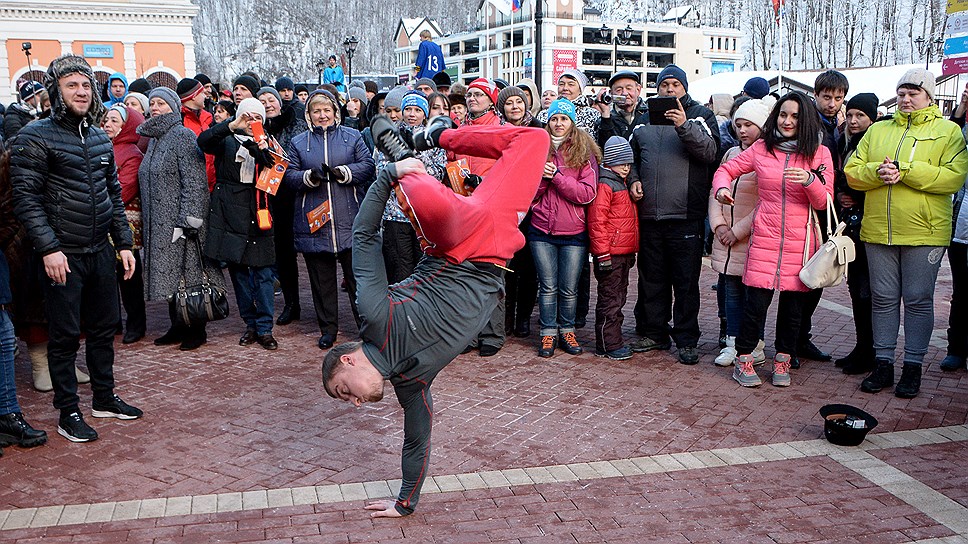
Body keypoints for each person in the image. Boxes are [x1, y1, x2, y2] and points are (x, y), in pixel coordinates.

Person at [321, 114, 548, 518]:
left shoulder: (375, 317)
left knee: (430, 196)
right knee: (533, 138)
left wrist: (384, 176)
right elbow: (416, 442)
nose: (355, 402)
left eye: (344, 390)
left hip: (455, 242)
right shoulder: (411, 383)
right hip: (495, 246)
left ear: (348, 359)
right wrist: (404, 503)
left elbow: (363, 238)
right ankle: (420, 147)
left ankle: (417, 151)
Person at [10, 54, 143, 443]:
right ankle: (68, 411)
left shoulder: (100, 135)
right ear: (56, 91)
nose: (81, 92)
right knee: (64, 336)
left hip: (98, 249)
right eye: (72, 85)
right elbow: (26, 200)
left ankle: (103, 398)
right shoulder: (34, 136)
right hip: (60, 253)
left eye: (86, 85)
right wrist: (48, 248)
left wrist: (124, 243)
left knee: (104, 329)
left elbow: (113, 195)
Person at [845, 69, 968, 398]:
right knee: (882, 300)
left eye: (913, 92)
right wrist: (877, 171)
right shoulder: (878, 130)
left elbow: (953, 177)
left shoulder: (948, 132)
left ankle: (912, 366)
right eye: (902, 93)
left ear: (928, 96)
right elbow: (852, 172)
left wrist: (907, 171)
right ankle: (883, 363)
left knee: (917, 300)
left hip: (924, 233)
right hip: (878, 231)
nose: (906, 99)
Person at [713, 92, 834, 388]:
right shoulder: (761, 148)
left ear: (804, 119)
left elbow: (824, 201)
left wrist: (810, 182)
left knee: (793, 310)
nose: (788, 121)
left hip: (801, 241)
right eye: (783, 114)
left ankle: (783, 359)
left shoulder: (819, 153)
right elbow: (726, 168)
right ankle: (744, 360)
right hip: (764, 237)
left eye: (794, 116)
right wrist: (721, 188)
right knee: (755, 306)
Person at [628, 64, 720, 365]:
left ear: (684, 88)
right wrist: (634, 180)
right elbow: (629, 159)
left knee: (685, 282)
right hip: (650, 215)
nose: (669, 90)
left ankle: (687, 339)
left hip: (686, 215)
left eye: (675, 85)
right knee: (651, 279)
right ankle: (655, 333)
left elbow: (710, 153)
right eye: (664, 85)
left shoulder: (700, 116)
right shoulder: (642, 120)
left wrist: (684, 124)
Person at [283, 90, 375, 349]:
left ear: (336, 112)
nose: (322, 115)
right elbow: (288, 175)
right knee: (321, 282)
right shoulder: (299, 142)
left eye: (327, 110)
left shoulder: (353, 136)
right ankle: (328, 329)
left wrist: (345, 172)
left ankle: (366, 327)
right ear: (309, 115)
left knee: (358, 281)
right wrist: (307, 178)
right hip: (315, 221)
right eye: (316, 111)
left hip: (350, 218)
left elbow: (368, 166)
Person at [139, 87, 220, 351]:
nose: (155, 107)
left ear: (174, 107)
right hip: (158, 222)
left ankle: (196, 328)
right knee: (171, 276)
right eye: (152, 103)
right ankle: (177, 324)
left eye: (161, 103)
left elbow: (194, 182)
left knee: (190, 273)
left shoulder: (183, 136)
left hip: (181, 221)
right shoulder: (154, 140)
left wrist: (190, 221)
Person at [199, 98, 279, 350]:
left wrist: (260, 147)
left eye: (257, 117)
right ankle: (251, 325)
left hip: (259, 213)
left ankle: (266, 327)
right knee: (240, 274)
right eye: (248, 116)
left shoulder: (270, 143)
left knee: (264, 274)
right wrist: (232, 125)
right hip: (231, 215)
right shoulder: (226, 140)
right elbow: (203, 142)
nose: (251, 121)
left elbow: (277, 172)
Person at [530, 99, 599, 357]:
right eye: (554, 119)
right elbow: (529, 194)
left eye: (564, 119)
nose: (558, 124)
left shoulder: (584, 152)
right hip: (541, 230)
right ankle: (548, 334)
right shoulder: (538, 148)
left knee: (569, 288)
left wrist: (557, 177)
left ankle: (567, 331)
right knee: (547, 286)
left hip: (573, 232)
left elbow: (587, 194)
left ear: (572, 122)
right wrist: (543, 180)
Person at [708, 97, 772, 367]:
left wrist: (738, 230)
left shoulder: (768, 157)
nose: (743, 130)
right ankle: (732, 342)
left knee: (753, 298)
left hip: (751, 239)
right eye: (739, 125)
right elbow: (716, 191)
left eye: (749, 125)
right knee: (731, 293)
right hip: (727, 240)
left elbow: (766, 202)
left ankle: (755, 343)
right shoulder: (730, 154)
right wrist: (719, 225)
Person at [376, 91, 447, 288]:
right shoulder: (388, 136)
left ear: (425, 113)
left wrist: (414, 155)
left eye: (417, 110)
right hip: (395, 214)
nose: (412, 114)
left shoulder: (432, 138)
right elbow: (383, 171)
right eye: (407, 109)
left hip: (424, 216)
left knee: (424, 269)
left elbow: (437, 173)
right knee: (399, 271)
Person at [834, 93, 879, 375]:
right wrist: (841, 193)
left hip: (868, 227)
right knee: (856, 291)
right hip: (850, 227)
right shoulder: (845, 141)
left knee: (866, 292)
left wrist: (852, 194)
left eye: (860, 116)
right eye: (850, 115)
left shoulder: (873, 143)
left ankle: (871, 351)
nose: (853, 121)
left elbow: (869, 180)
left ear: (871, 118)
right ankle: (862, 347)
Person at [258, 86, 304, 326]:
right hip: (272, 199)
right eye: (262, 100)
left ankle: (320, 305)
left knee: (311, 253)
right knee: (284, 256)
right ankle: (291, 303)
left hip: (297, 195)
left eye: (271, 99)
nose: (267, 104)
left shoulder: (295, 125)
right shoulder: (258, 131)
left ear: (279, 102)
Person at [497, 86, 541, 338]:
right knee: (508, 266)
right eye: (509, 103)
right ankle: (506, 317)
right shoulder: (499, 131)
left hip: (532, 206)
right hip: (506, 206)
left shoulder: (538, 129)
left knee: (528, 267)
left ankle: (523, 318)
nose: (515, 107)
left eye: (519, 102)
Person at [101, 104, 147, 345]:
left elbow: (124, 189)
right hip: (101, 221)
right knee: (106, 275)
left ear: (126, 126)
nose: (108, 124)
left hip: (124, 224)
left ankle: (136, 324)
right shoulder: (99, 148)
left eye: (114, 121)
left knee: (128, 275)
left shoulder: (131, 154)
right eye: (106, 119)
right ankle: (113, 321)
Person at [588, 136, 638, 360]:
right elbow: (597, 222)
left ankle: (612, 340)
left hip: (622, 253)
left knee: (618, 298)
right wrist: (602, 254)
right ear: (610, 162)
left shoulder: (621, 183)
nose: (626, 167)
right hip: (610, 254)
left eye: (628, 163)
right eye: (621, 162)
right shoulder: (607, 184)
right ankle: (609, 344)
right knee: (610, 300)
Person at [177, 78, 217, 192]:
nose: (206, 96)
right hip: (190, 188)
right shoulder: (179, 120)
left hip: (211, 184)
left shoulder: (208, 118)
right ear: (194, 96)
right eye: (202, 93)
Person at [537, 69, 600, 139]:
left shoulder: (592, 114)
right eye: (561, 84)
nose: (565, 88)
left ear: (580, 90)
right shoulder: (544, 114)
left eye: (571, 84)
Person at [594, 71, 647, 148]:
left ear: (638, 90)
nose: (625, 93)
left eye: (629, 88)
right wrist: (605, 115)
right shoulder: (604, 120)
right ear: (611, 93)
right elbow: (604, 149)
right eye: (619, 90)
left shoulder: (648, 116)